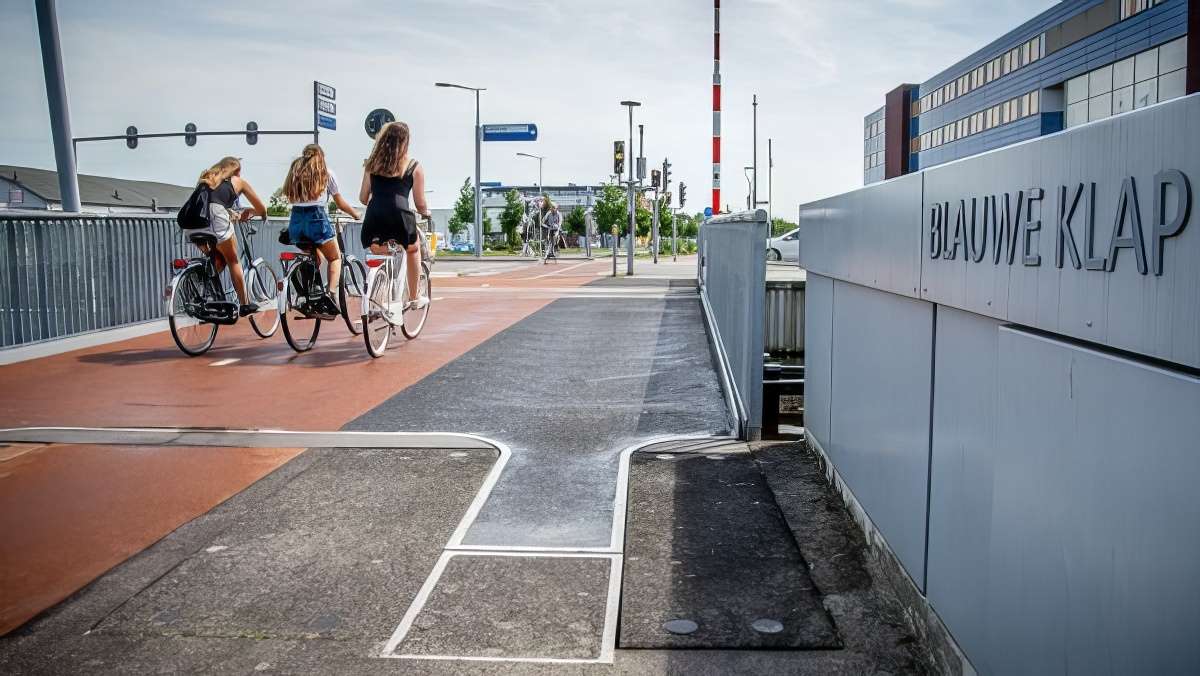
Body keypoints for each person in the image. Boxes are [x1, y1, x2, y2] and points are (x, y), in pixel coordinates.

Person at [358, 121, 430, 309]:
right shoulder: (413, 165)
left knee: (378, 247)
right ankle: (414, 297)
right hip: (400, 215)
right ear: (405, 142)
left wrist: (378, 201)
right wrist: (425, 212)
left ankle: (378, 290)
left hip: (374, 214)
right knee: (413, 249)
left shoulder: (371, 164)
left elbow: (363, 197)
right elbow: (420, 203)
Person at [284, 144, 359, 317]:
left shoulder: (295, 172)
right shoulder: (326, 173)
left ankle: (310, 294)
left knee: (316, 258)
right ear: (321, 157)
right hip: (316, 219)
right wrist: (356, 214)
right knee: (335, 257)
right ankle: (331, 292)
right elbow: (339, 202)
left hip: (296, 222)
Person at [194, 156, 267, 317]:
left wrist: (231, 213)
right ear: (237, 170)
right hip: (216, 219)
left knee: (217, 259)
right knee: (233, 260)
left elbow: (211, 202)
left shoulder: (207, 178)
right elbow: (261, 209)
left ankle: (205, 296)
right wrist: (255, 213)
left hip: (192, 223)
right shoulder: (237, 181)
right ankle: (245, 304)